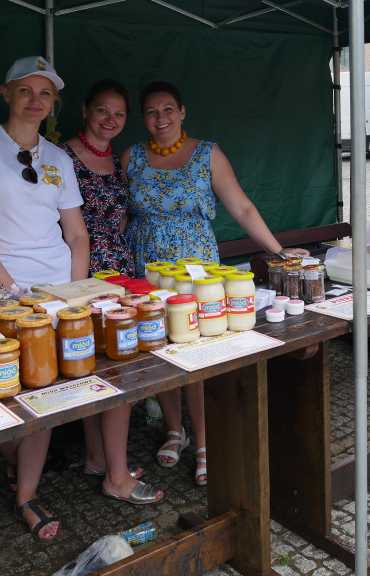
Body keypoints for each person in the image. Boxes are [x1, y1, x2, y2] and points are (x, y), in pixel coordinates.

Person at [121, 80, 308, 486]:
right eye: (151, 112)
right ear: (143, 118)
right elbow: (121, 216)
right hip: (146, 268)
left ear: (182, 112)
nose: (160, 118)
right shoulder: (131, 156)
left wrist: (277, 251)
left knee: (199, 351)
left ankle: (206, 441)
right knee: (161, 346)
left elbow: (242, 207)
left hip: (197, 272)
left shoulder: (208, 153)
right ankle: (175, 430)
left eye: (168, 109)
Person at [0, 55, 90, 540]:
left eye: (45, 93)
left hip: (55, 292)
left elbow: (77, 235)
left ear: (54, 102)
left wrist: (72, 294)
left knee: (46, 389)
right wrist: (12, 291)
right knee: (0, 391)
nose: (35, 100)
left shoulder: (58, 158)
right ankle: (16, 455)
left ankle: (26, 495)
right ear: (5, 93)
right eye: (25, 90)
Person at [58, 79, 162, 505]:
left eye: (119, 114)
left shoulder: (118, 161)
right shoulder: (60, 156)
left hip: (117, 269)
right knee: (102, 365)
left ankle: (99, 458)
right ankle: (113, 473)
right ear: (85, 110)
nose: (110, 120)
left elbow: (120, 216)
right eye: (102, 110)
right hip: (79, 270)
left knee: (111, 362)